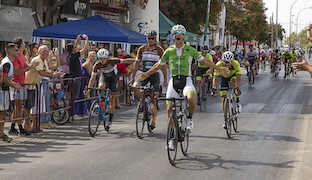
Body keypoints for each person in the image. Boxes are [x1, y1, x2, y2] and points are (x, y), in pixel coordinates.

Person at [138, 24, 229, 141]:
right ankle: (171, 137)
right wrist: (147, 74)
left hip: (187, 80)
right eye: (175, 33)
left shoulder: (190, 50)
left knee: (192, 99)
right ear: (173, 36)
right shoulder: (169, 51)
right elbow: (158, 65)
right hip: (174, 82)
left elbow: (205, 60)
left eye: (180, 33)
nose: (178, 35)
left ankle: (190, 117)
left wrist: (219, 68)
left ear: (184, 36)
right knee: (169, 108)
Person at [85, 48, 135, 131]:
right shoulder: (97, 65)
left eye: (104, 58)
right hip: (104, 77)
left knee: (112, 99)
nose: (102, 60)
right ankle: (101, 102)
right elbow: (92, 78)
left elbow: (125, 61)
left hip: (113, 78)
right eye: (100, 58)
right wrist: (89, 90)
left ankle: (110, 120)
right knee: (101, 86)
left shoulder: (112, 60)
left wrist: (136, 59)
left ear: (107, 57)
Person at [131, 30, 167, 130]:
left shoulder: (160, 50)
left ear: (155, 39)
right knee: (135, 87)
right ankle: (143, 103)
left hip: (155, 75)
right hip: (144, 74)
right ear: (146, 38)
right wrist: (133, 76)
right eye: (149, 38)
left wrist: (165, 79)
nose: (150, 40)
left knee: (154, 99)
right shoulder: (142, 49)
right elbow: (137, 63)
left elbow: (163, 66)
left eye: (152, 38)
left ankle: (154, 121)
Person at [24, 45, 64, 130]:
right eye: (43, 51)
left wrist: (56, 56)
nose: (45, 53)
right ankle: (27, 127)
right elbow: (41, 73)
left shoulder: (44, 60)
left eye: (47, 51)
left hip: (36, 86)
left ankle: (35, 126)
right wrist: (53, 75)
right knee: (29, 108)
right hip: (29, 85)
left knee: (36, 107)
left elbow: (51, 69)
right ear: (39, 52)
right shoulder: (37, 60)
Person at [9, 37, 39, 136]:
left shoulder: (21, 55)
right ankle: (20, 127)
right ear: (20, 45)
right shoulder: (17, 56)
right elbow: (17, 72)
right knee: (18, 106)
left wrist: (30, 65)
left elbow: (25, 67)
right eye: (23, 42)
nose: (25, 44)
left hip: (22, 83)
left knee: (18, 106)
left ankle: (13, 127)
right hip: (17, 83)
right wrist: (29, 67)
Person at [212, 51, 241, 129]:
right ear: (222, 61)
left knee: (234, 83)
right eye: (225, 62)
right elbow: (215, 78)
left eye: (229, 62)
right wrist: (214, 88)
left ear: (232, 61)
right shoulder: (218, 65)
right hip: (223, 78)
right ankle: (225, 118)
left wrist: (238, 88)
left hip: (232, 76)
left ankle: (237, 101)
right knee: (223, 97)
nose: (227, 64)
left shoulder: (236, 64)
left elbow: (239, 78)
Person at [0, 43, 21, 142]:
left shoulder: (9, 62)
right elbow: (4, 79)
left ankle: (1, 133)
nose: (18, 52)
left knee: (3, 113)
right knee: (2, 113)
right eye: (16, 50)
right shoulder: (7, 63)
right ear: (11, 51)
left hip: (5, 91)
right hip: (2, 91)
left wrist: (12, 84)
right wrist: (15, 85)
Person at [66, 34, 89, 116]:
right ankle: (72, 114)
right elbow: (85, 49)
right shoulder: (74, 56)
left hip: (73, 78)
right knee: (74, 97)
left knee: (73, 96)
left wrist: (77, 40)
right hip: (76, 79)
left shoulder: (69, 56)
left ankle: (71, 113)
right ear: (73, 50)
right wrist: (86, 39)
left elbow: (73, 48)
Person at [76, 51, 96, 116]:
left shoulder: (92, 63)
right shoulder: (87, 63)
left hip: (87, 80)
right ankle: (81, 112)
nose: (94, 58)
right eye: (92, 56)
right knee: (84, 95)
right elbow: (91, 73)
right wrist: (97, 73)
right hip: (84, 81)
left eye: (94, 56)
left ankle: (87, 110)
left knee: (89, 95)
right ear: (89, 56)